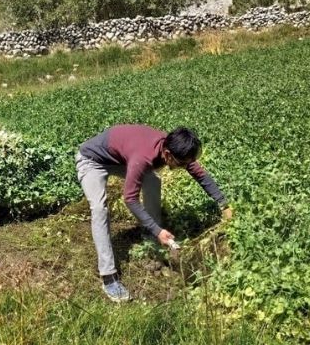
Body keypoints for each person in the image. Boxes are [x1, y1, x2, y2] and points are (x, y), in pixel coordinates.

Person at [75, 124, 230, 302]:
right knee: (99, 209)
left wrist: (224, 204)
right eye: (181, 164)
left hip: (120, 158)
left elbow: (200, 174)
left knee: (152, 181)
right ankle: (109, 278)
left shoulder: (175, 147)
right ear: (168, 155)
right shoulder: (143, 157)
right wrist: (158, 230)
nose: (183, 167)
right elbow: (130, 199)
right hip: (91, 160)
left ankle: (152, 235)